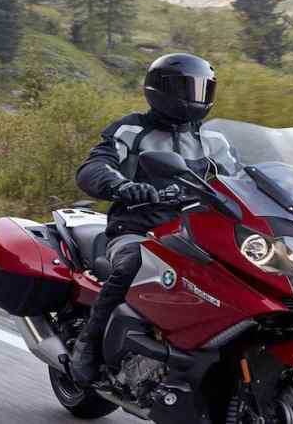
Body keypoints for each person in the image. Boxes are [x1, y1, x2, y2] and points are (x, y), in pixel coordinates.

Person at [69, 53, 220, 385]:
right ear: (161, 89)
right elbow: (94, 167)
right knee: (133, 263)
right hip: (137, 230)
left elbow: (246, 179)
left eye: (202, 89)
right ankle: (88, 345)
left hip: (193, 235)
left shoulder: (213, 140)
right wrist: (122, 185)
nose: (195, 97)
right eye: (187, 88)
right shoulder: (132, 129)